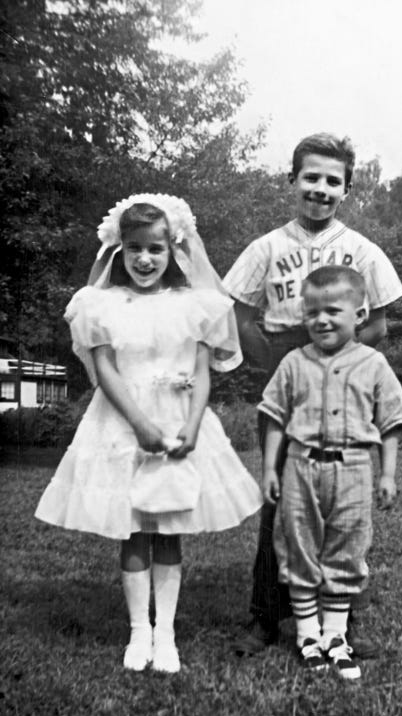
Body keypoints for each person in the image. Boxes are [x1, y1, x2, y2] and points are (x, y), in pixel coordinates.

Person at [35, 193, 262, 674]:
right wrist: (139, 424)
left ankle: (168, 633)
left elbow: (202, 370)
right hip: (122, 422)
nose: (144, 259)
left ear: (174, 251)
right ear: (118, 251)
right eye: (134, 248)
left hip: (180, 420)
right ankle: (140, 630)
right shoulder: (100, 304)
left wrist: (194, 424)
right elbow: (105, 368)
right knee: (135, 528)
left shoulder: (195, 304)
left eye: (156, 249)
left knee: (169, 526)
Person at [223, 133, 402, 658]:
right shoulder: (267, 247)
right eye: (311, 177)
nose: (320, 189)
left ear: (346, 188)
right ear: (293, 180)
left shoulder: (362, 250)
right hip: (288, 374)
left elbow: (380, 325)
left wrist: (338, 362)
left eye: (332, 181)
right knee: (279, 498)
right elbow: (239, 316)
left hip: (345, 382)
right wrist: (282, 365)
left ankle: (344, 623)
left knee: (346, 509)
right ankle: (265, 617)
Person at [259, 265, 402, 679]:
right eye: (312, 312)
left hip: (355, 469)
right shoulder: (294, 362)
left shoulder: (374, 363)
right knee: (299, 545)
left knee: (347, 548)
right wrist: (270, 467)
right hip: (300, 467)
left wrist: (388, 475)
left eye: (332, 311)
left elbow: (392, 422)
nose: (321, 320)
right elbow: (274, 416)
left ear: (359, 314)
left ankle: (336, 636)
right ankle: (308, 635)